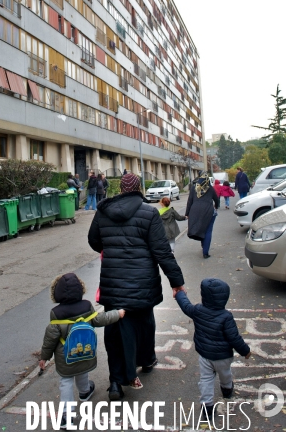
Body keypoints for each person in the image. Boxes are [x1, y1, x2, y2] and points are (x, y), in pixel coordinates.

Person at [88, 173, 185, 399]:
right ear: (138, 188)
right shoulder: (149, 213)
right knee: (143, 324)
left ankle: (115, 382)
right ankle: (147, 360)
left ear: (121, 188)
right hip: (142, 284)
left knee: (114, 332)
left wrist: (113, 250)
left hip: (113, 284)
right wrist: (177, 282)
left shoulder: (103, 211)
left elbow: (94, 241)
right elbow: (162, 251)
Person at [39, 273, 125, 429]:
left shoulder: (56, 314)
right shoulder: (86, 307)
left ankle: (66, 416)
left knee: (66, 382)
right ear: (80, 289)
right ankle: (85, 391)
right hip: (85, 351)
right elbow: (100, 319)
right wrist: (117, 314)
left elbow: (50, 338)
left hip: (65, 355)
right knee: (82, 371)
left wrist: (44, 357)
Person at [175, 278, 251, 422]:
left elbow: (186, 306)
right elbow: (234, 338)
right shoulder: (226, 317)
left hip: (205, 356)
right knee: (225, 373)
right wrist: (245, 351)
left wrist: (179, 293)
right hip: (223, 357)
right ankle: (227, 390)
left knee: (206, 380)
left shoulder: (197, 310)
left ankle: (207, 407)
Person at [186, 171, 219, 259]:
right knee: (208, 230)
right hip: (208, 211)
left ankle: (203, 245)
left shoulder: (194, 188)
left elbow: (189, 201)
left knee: (200, 228)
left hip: (195, 210)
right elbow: (216, 199)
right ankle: (205, 252)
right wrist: (216, 207)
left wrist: (187, 214)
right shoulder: (210, 189)